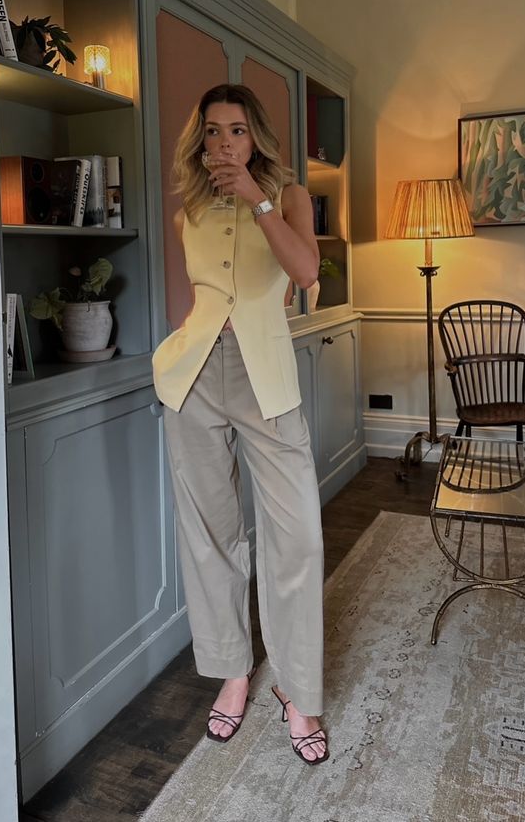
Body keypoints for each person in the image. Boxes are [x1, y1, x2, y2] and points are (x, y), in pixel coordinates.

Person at [152, 84, 328, 765]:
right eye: (214, 132)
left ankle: (297, 687)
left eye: (237, 131)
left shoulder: (288, 195)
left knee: (298, 537)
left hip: (267, 379)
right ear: (201, 140)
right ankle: (233, 671)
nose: (224, 143)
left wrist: (258, 197)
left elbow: (307, 271)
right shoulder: (187, 211)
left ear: (256, 136)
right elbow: (200, 295)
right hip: (194, 377)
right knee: (210, 535)